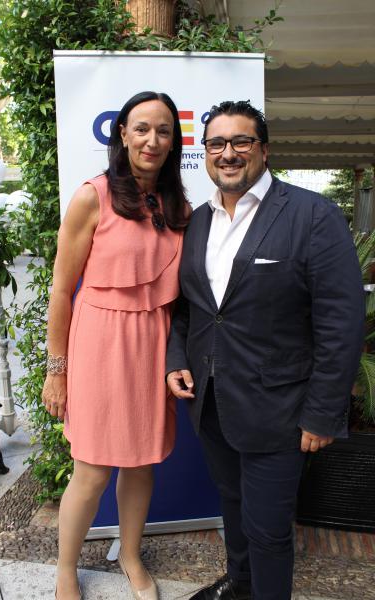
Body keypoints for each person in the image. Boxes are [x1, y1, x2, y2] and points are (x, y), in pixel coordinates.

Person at [166, 100, 365, 600]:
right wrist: (176, 360)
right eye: (217, 143)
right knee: (232, 505)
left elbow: (340, 323)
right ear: (205, 152)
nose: (228, 153)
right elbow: (189, 308)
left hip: (280, 411)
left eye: (241, 141)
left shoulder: (312, 215)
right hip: (211, 403)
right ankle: (240, 584)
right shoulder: (198, 221)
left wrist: (322, 414)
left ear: (264, 150)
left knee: (269, 529)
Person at [42, 91, 190, 600]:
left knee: (141, 462)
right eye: (142, 128)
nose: (153, 140)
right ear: (123, 133)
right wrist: (56, 369)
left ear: (174, 141)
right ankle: (65, 569)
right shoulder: (93, 196)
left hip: (152, 342)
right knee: (92, 469)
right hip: (99, 342)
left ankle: (130, 554)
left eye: (164, 130)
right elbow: (61, 289)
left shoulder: (178, 206)